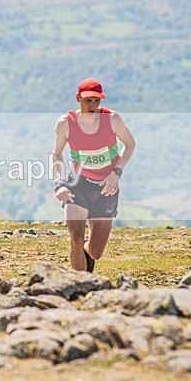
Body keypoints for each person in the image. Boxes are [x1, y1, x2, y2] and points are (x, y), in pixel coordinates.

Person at [52, 78, 136, 272]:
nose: (92, 105)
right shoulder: (65, 123)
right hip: (78, 184)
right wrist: (59, 182)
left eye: (97, 101)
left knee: (95, 251)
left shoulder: (112, 119)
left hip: (106, 187)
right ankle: (81, 285)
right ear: (78, 98)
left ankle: (86, 255)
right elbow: (57, 154)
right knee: (75, 239)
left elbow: (130, 144)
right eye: (88, 100)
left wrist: (116, 172)